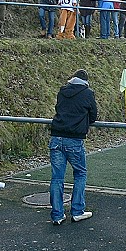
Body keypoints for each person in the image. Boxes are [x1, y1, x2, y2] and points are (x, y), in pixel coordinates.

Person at [50, 69, 98, 225]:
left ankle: (57, 215)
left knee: (57, 178)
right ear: (86, 81)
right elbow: (93, 116)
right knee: (80, 174)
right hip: (74, 140)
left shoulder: (62, 91)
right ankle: (77, 211)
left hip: (56, 137)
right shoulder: (88, 93)